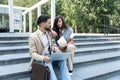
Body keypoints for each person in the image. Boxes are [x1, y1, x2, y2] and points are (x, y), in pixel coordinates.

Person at [29, 14, 71, 80]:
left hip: (50, 57)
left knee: (62, 62)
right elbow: (32, 53)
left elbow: (51, 45)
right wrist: (43, 58)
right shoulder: (33, 36)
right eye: (49, 23)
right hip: (41, 60)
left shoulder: (48, 34)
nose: (50, 25)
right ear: (42, 23)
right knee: (48, 64)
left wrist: (53, 48)